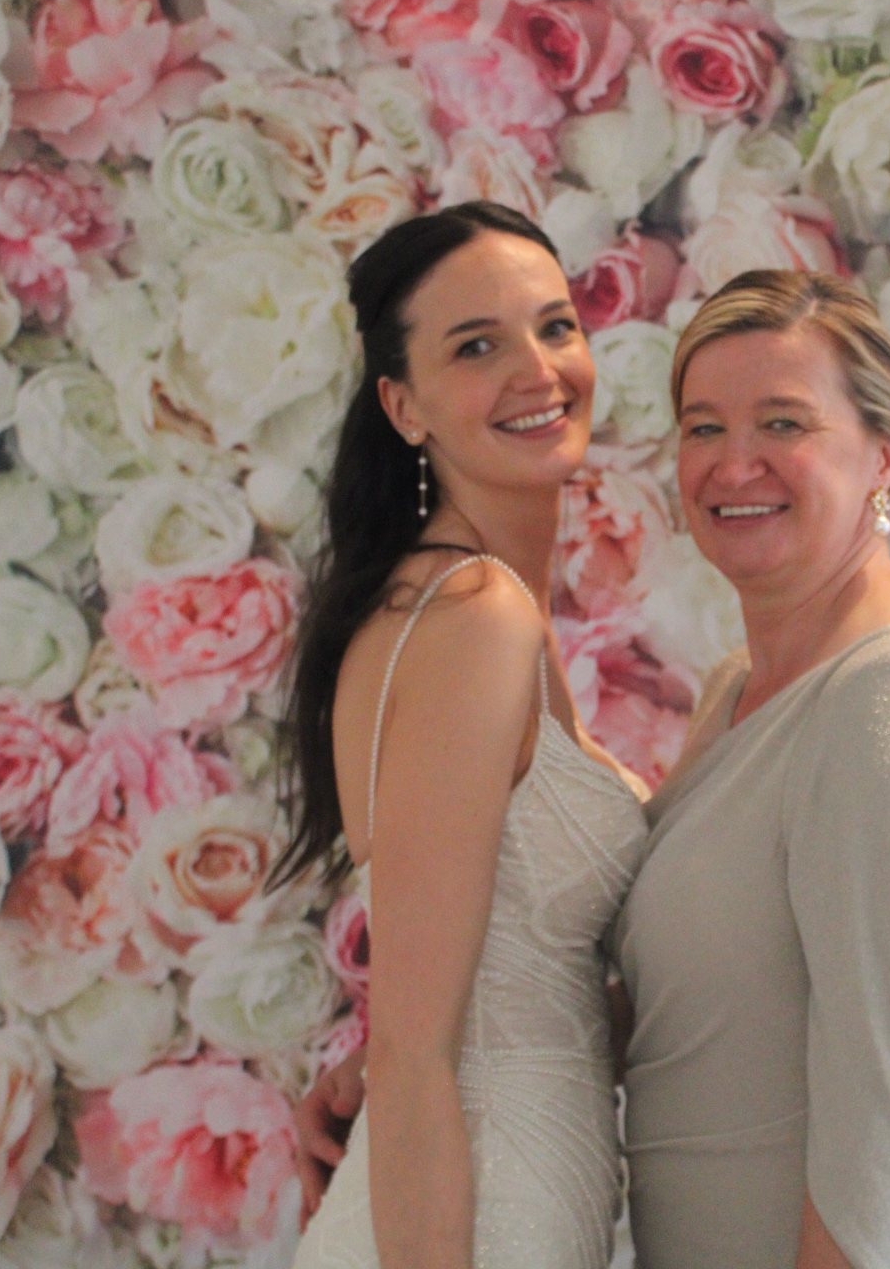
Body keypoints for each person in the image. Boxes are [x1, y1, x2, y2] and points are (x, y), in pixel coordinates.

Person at [613, 270, 890, 1269]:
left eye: (783, 423)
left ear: (883, 453)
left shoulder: (888, 702)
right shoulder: (740, 690)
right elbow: (681, 1012)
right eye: (704, 427)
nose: (734, 464)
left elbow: (888, 1140)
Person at [274, 201, 649, 1269]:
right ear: (404, 406)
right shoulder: (474, 618)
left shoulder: (475, 608)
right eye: (477, 346)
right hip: (476, 1219)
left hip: (522, 1194)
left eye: (555, 326)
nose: (537, 370)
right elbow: (416, 1047)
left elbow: (504, 984)